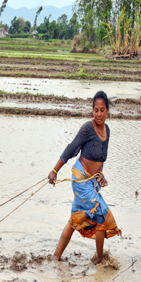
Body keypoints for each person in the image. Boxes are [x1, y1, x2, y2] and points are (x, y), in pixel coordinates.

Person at [48, 91, 121, 264]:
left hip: (92, 181)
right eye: (96, 110)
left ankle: (55, 257)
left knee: (76, 219)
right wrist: (54, 170)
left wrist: (100, 175)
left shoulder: (107, 131)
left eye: (102, 110)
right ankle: (100, 261)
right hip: (81, 180)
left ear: (108, 111)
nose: (99, 114)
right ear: (92, 111)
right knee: (101, 213)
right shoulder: (88, 128)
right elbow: (71, 147)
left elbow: (100, 158)